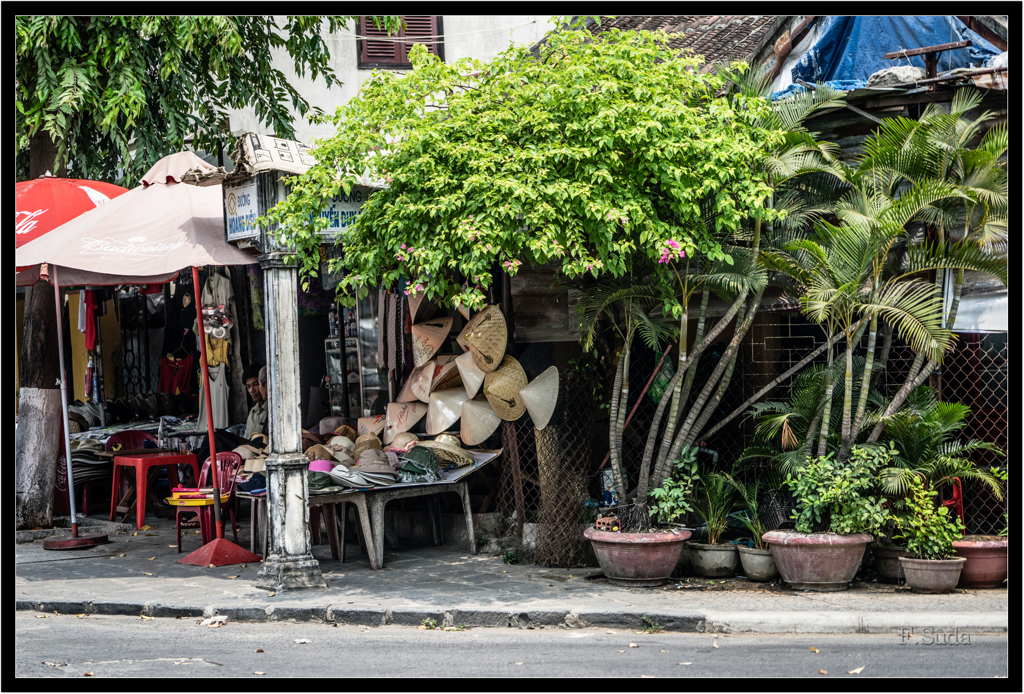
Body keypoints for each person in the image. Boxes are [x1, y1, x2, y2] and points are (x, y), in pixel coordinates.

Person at [243, 363, 267, 438]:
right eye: (248, 386)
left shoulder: (272, 411)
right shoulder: (253, 412)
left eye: (255, 384)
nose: (251, 390)